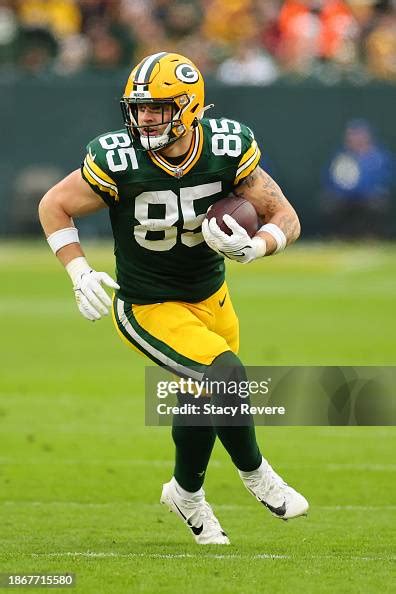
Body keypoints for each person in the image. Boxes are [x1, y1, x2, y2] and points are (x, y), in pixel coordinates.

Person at [38, 51, 308, 545]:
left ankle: (185, 494)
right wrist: (78, 272)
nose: (144, 118)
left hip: (211, 295)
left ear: (189, 107)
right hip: (147, 304)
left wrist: (255, 246)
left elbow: (285, 216)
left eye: (157, 108)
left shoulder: (227, 148)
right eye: (138, 108)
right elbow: (53, 205)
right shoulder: (117, 157)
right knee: (224, 376)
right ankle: (257, 473)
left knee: (203, 399)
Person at [321, 119, 394, 239]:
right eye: (351, 136)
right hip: (345, 198)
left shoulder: (379, 157)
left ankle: (371, 236)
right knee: (330, 203)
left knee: (376, 204)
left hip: (370, 198)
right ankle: (340, 236)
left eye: (358, 135)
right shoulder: (341, 156)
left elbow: (385, 179)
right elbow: (330, 179)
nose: (355, 139)